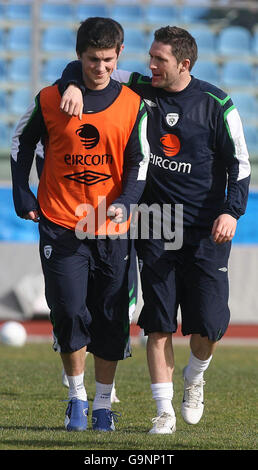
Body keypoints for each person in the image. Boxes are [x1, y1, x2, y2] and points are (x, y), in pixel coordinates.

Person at [59, 25, 251, 434]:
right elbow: (92, 66)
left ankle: (194, 377)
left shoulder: (217, 102)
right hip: (156, 222)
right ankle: (163, 411)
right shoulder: (143, 86)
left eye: (158, 59)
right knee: (158, 320)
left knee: (209, 324)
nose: (149, 65)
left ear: (183, 64)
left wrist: (232, 212)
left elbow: (241, 164)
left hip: (205, 228)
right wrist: (71, 84)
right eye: (149, 57)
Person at [10, 17, 149, 432]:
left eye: (108, 60)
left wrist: (126, 201)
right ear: (79, 56)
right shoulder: (51, 98)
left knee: (110, 318)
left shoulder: (132, 102)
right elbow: (22, 143)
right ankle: (76, 398)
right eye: (92, 60)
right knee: (70, 311)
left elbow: (138, 161)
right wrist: (21, 190)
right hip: (60, 222)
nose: (100, 68)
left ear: (119, 55)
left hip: (110, 229)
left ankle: (104, 405)